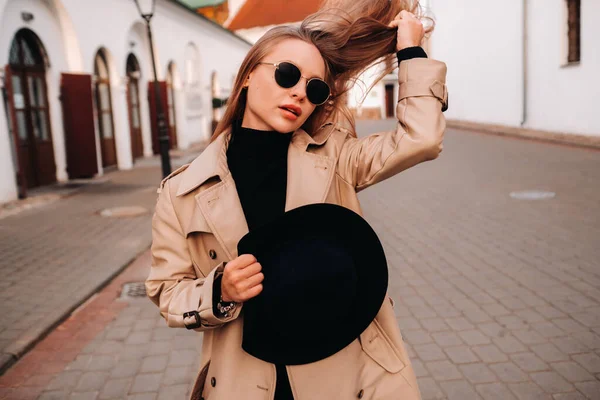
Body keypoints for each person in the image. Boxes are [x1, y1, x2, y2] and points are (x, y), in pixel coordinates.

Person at [146, 0, 448, 398]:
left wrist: (410, 50)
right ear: (249, 75)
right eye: (287, 74)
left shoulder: (335, 157)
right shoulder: (182, 191)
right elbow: (167, 290)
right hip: (246, 378)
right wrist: (219, 290)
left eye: (314, 87)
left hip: (343, 371)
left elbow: (421, 139)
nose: (298, 94)